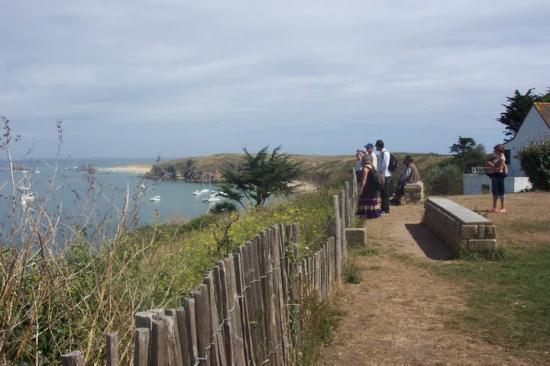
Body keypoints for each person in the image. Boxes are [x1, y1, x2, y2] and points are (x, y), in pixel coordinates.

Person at [485, 144, 507, 213]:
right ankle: (494, 208)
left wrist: (491, 165)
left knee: (501, 191)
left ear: (499, 150)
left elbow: (499, 169)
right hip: (494, 175)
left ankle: (503, 208)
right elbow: (495, 167)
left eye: (495, 150)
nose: (494, 151)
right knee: (494, 191)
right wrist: (490, 165)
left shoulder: (502, 158)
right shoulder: (498, 157)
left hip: (499, 175)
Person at [375, 139, 391, 214]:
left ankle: (385, 209)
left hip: (385, 175)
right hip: (383, 175)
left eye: (376, 146)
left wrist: (381, 173)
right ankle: (384, 208)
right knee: (383, 192)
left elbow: (385, 165)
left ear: (379, 146)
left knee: (385, 193)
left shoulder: (385, 153)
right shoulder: (382, 152)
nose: (376, 147)